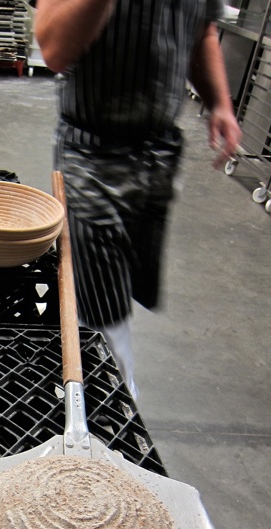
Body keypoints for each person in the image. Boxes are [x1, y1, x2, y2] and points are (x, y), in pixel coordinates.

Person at [34, 0, 241, 397]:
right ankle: (114, 400)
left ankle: (77, 367)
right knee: (102, 304)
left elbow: (202, 30)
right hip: (92, 153)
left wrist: (220, 103)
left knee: (114, 283)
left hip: (157, 154)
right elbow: (54, 49)